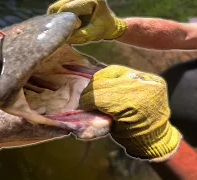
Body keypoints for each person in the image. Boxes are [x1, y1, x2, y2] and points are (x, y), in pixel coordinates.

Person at [47, 0, 197, 179]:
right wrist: (116, 27)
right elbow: (186, 34)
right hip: (163, 109)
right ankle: (125, 156)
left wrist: (159, 140)